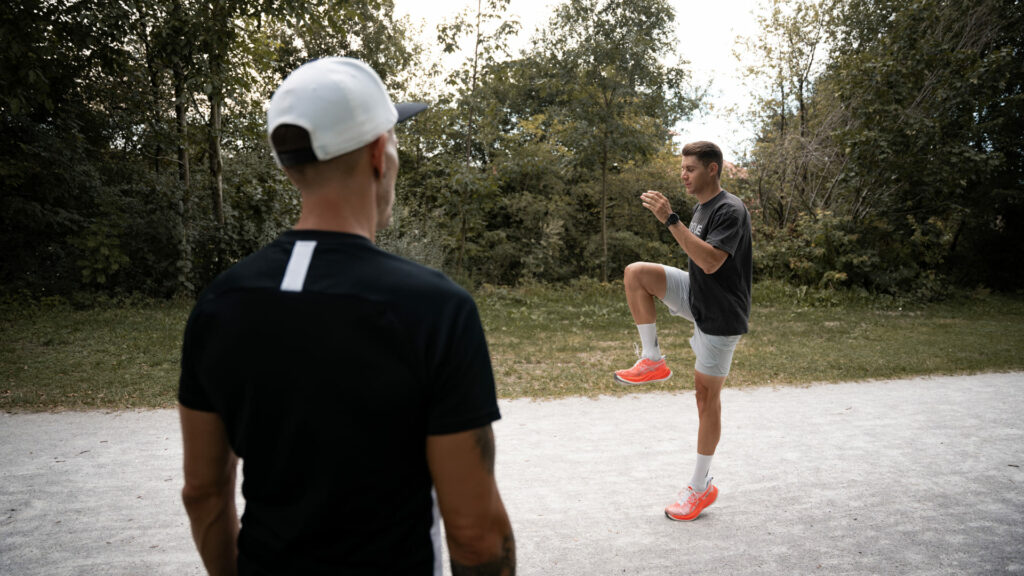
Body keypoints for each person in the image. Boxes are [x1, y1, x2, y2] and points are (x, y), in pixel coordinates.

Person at [177, 57, 515, 576]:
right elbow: (475, 535)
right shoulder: (435, 308)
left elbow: (203, 492)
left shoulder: (220, 303)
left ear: (291, 166)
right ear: (380, 154)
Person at [613, 141, 752, 522]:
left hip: (721, 314)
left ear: (713, 169)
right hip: (697, 295)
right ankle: (652, 359)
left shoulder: (730, 209)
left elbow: (709, 261)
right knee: (637, 273)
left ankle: (700, 486)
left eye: (691, 168)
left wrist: (670, 220)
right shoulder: (701, 208)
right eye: (683, 168)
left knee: (706, 399)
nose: (683, 174)